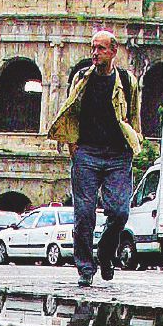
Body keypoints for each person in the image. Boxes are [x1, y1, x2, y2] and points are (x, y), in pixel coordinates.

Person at [47, 29, 142, 286]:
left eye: (100, 49)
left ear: (113, 51)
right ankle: (85, 269)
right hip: (87, 153)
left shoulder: (127, 81)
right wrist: (72, 147)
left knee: (120, 212)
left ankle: (106, 254)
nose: (95, 53)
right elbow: (71, 112)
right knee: (84, 214)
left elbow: (133, 117)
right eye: (93, 48)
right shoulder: (82, 77)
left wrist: (134, 145)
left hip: (118, 155)